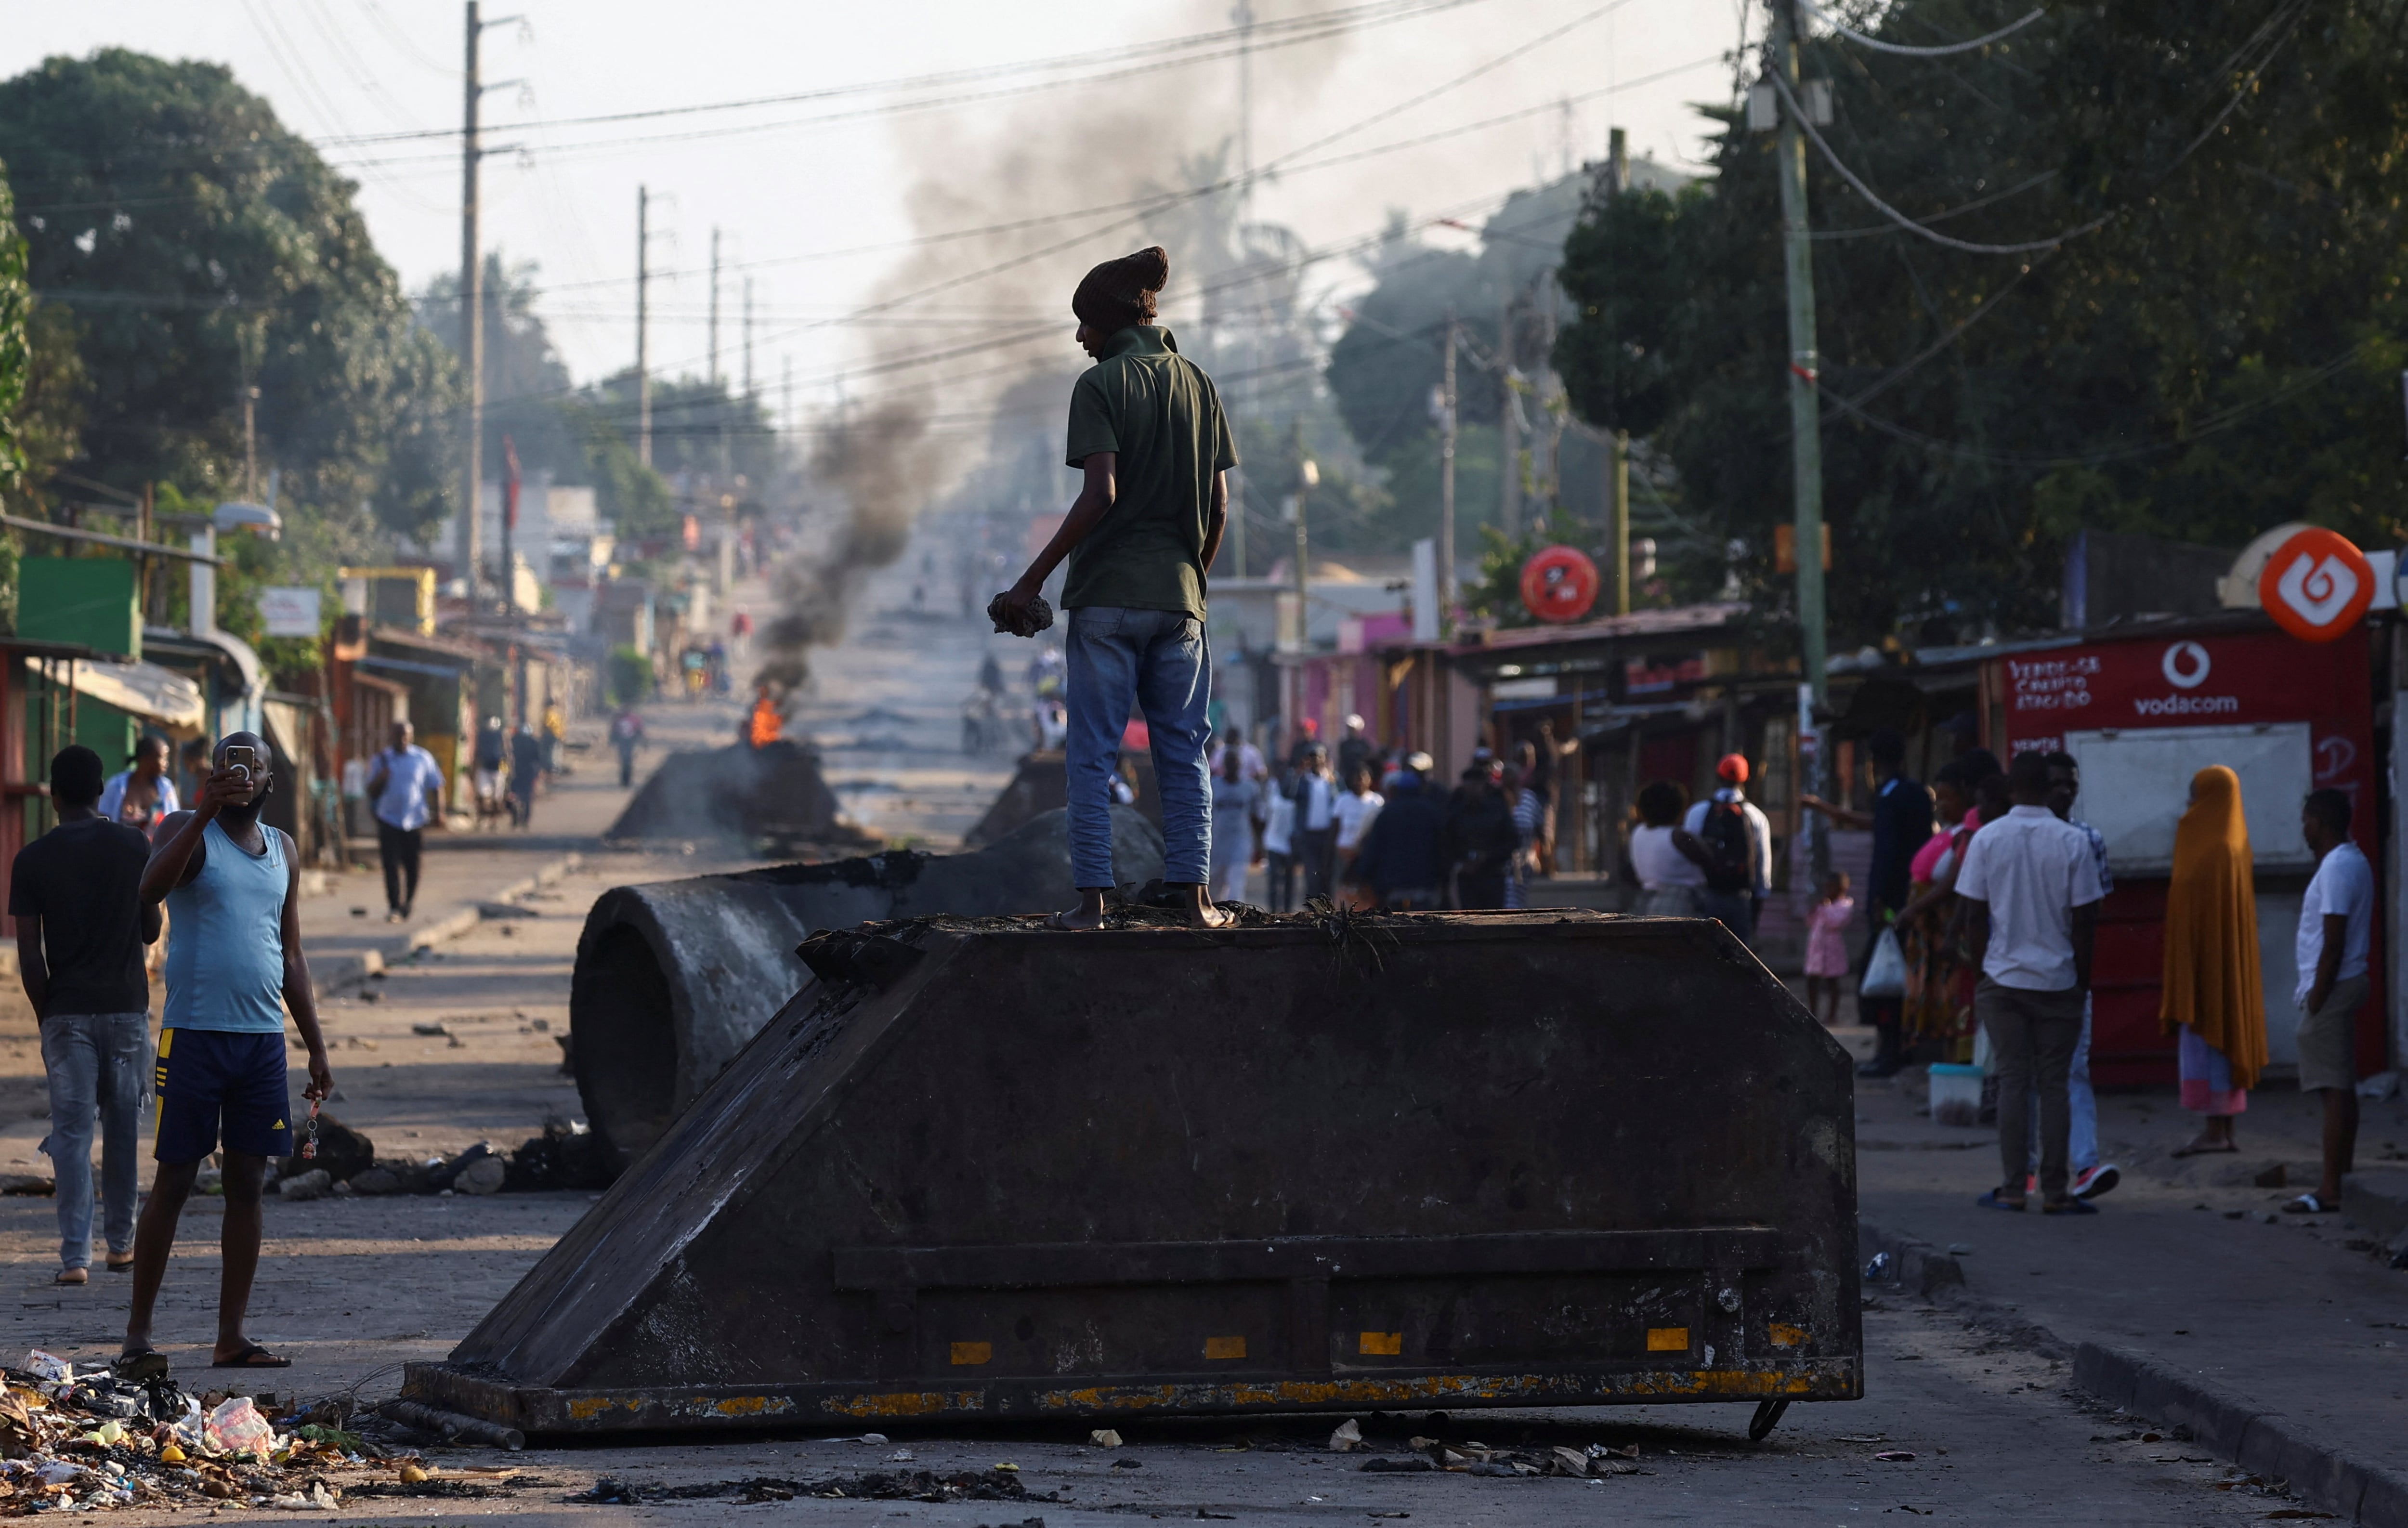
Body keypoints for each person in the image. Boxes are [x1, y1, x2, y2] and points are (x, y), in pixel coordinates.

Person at [992, 245, 1234, 930]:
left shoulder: (1099, 386)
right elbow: (1220, 508)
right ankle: (1195, 899)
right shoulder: (1200, 384)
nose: (1079, 338)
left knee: (1093, 753)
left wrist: (1030, 579)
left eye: (1085, 324)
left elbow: (1101, 492)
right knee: (1184, 752)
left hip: (1105, 600)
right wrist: (1194, 584)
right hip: (1181, 601)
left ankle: (1093, 903)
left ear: (1110, 323)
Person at [120, 733, 334, 1375]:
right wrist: (206, 811)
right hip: (193, 1036)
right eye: (228, 763)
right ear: (214, 774)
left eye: (251, 766)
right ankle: (137, 1336)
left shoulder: (283, 851)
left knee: (249, 1184)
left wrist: (315, 1044)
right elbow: (148, 889)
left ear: (269, 781)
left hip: (262, 1043)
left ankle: (231, 1337)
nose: (240, 773)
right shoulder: (190, 828)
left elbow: (290, 953)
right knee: (177, 1179)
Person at [11, 746, 158, 1285]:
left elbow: (30, 955)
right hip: (126, 1009)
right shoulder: (133, 845)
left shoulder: (31, 859)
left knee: (71, 1134)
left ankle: (75, 1258)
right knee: (122, 1127)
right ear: (102, 792)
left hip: (66, 1012)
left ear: (54, 795)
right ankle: (122, 1246)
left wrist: (47, 1013)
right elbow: (150, 930)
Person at [1951, 750, 2103, 1215]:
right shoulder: (2073, 841)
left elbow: (1974, 915)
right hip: (2059, 980)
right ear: (2049, 788)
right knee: (2054, 1084)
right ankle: (2057, 1192)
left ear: (2012, 789)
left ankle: (2015, 1187)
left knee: (2014, 1082)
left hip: (2003, 978)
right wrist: (2080, 979)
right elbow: (2085, 921)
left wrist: (1982, 972)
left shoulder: (1988, 838)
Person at [1803, 728, 1932, 1078]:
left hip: (1892, 903)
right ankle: (1898, 1046)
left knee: (1883, 978)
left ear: (1875, 764)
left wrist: (1881, 902)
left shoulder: (1893, 796)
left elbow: (1889, 851)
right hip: (1910, 897)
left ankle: (1890, 1049)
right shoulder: (1914, 794)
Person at [2161, 765, 2265, 1157]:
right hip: (2224, 964)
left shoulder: (2207, 845)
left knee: (2208, 1041)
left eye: (2194, 796)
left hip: (2205, 965)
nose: (2188, 806)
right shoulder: (2235, 842)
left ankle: (2215, 1132)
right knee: (2224, 1034)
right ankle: (2226, 1128)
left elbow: (2189, 897)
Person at [2031, 751, 2120, 1202]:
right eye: (2057, 783)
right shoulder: (2018, 836)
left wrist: (2082, 979)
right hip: (2025, 973)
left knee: (2073, 1070)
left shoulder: (2088, 839)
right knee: (2025, 1074)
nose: (2066, 791)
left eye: (2072, 783)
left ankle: (2085, 1164)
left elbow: (2092, 916)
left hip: (2066, 973)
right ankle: (2027, 1168)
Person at [2286, 787, 2370, 1212]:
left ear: (2319, 821)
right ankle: (2342, 1178)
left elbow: (2333, 942)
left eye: (2307, 820)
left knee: (2332, 1088)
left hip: (2333, 988)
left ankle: (2330, 1188)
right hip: (2342, 984)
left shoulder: (2337, 866)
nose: (2304, 827)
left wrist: (2316, 998)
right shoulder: (2353, 860)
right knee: (2340, 1085)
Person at [1682, 754, 1773, 939]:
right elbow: (1763, 863)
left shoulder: (1697, 812)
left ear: (1718, 776)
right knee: (1740, 958)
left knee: (1707, 954)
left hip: (1707, 895)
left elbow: (1688, 855)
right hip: (1741, 897)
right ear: (1746, 779)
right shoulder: (1756, 816)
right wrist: (1760, 896)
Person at [366, 720, 443, 923]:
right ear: (391, 736)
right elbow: (371, 791)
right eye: (398, 735)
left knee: (413, 866)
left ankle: (408, 902)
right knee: (390, 865)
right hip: (389, 819)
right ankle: (394, 906)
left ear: (411, 736)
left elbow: (437, 785)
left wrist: (440, 813)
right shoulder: (382, 759)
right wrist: (381, 778)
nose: (402, 740)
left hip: (415, 820)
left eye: (406, 735)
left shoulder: (422, 758)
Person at [1354, 756, 1447, 910]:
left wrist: (1364, 875)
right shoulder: (1432, 813)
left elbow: (1373, 849)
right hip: (1425, 887)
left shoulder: (1386, 814)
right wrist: (1443, 879)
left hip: (1393, 889)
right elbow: (1443, 849)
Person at [1445, 761, 1518, 910]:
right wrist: (1462, 862)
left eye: (1476, 783)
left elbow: (1511, 841)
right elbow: (1447, 842)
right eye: (1469, 783)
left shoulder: (1497, 808)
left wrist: (1488, 857)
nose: (1472, 787)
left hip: (1493, 875)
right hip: (1467, 877)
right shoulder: (1456, 811)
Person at [1626, 780, 1704, 916]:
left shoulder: (1638, 832)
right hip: (1682, 902)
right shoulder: (1678, 836)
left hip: (1645, 900)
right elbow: (1710, 862)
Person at [1208, 743, 1262, 907]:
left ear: (1241, 764)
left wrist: (1260, 845)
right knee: (1214, 889)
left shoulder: (1250, 787)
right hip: (1217, 844)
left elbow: (1257, 817)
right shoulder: (1213, 785)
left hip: (1240, 843)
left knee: (1236, 888)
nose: (1232, 766)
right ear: (1224, 765)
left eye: (1235, 762)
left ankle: (1237, 923)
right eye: (1229, 762)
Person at [98, 737, 180, 837]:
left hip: (159, 853)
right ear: (146, 759)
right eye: (162, 758)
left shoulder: (167, 789)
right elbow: (102, 819)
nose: (166, 763)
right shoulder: (117, 786)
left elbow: (176, 824)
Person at [1287, 746, 1340, 902]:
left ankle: (1327, 909)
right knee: (1312, 875)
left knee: (1327, 874)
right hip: (1308, 836)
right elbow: (1288, 794)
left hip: (1328, 836)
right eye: (1313, 757)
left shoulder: (1331, 779)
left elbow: (1341, 800)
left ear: (1324, 759)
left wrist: (1333, 782)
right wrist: (1297, 775)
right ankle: (1313, 909)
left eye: (1319, 757)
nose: (1316, 760)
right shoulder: (1303, 780)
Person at [1804, 872, 1855, 1026]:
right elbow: (1811, 922)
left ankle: (1832, 1014)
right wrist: (1814, 910)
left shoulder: (1845, 906)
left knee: (1832, 981)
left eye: (1831, 888)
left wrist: (1825, 909)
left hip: (1832, 950)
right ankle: (1812, 1012)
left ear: (1841, 889)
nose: (1828, 892)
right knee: (1812, 980)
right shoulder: (1823, 905)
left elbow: (1835, 923)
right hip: (1816, 949)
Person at [1334, 763, 1385, 893]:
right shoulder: (1343, 800)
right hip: (1344, 852)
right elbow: (1335, 827)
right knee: (1343, 887)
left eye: (1363, 778)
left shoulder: (1377, 801)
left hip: (1366, 853)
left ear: (1370, 780)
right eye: (1357, 778)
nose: (1360, 782)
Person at [1259, 763, 1298, 914]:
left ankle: (1288, 911)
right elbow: (1264, 815)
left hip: (1290, 842)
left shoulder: (1295, 790)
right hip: (1273, 841)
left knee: (1289, 878)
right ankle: (1273, 911)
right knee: (1275, 878)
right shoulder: (1271, 789)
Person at [1503, 765, 1543, 910]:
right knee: (1508, 898)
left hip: (1525, 857)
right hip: (1505, 859)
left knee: (1520, 897)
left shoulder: (1529, 798)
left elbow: (1539, 825)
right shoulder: (1498, 800)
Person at [508, 723, 545, 831]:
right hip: (523, 774)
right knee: (523, 798)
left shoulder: (516, 741)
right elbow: (539, 760)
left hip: (522, 774)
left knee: (517, 797)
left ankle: (518, 821)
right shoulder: (533, 742)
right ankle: (522, 821)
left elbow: (538, 760)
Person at [471, 717, 507, 824]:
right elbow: (477, 751)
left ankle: (494, 821)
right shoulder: (482, 736)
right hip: (484, 768)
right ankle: (481, 819)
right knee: (481, 795)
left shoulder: (501, 735)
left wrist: (509, 766)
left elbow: (507, 750)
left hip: (498, 769)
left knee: (497, 797)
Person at [609, 706, 646, 788]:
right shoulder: (619, 719)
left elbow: (639, 731)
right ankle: (625, 780)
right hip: (624, 742)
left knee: (627, 761)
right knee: (625, 761)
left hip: (629, 742)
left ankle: (627, 780)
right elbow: (614, 731)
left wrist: (643, 743)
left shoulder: (633, 719)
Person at [1336, 715, 1373, 789]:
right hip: (1348, 777)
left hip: (1362, 778)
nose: (1351, 731)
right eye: (1350, 728)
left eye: (1353, 729)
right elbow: (1341, 761)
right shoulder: (1344, 744)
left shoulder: (1365, 744)